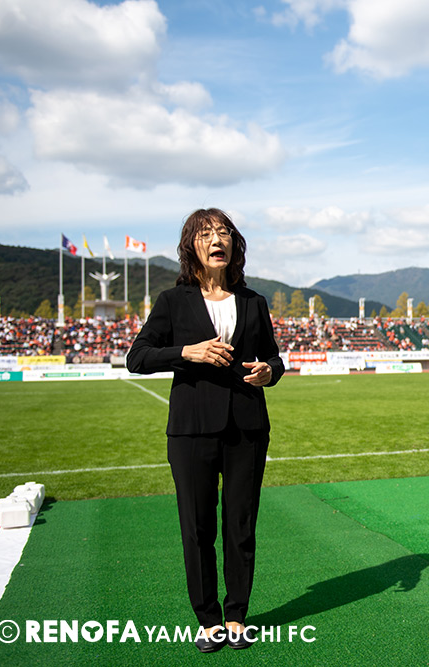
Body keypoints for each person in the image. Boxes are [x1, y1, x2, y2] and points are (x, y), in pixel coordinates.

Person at [126, 208, 284, 653]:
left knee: (241, 526)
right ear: (191, 246)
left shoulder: (254, 301)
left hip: (247, 428)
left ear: (234, 244)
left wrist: (269, 372)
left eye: (225, 232)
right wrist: (187, 352)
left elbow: (274, 357)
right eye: (207, 233)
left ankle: (236, 615)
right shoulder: (172, 301)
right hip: (191, 430)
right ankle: (208, 619)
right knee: (197, 528)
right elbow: (137, 357)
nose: (218, 239)